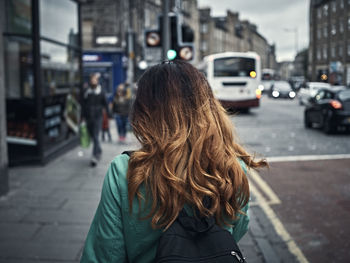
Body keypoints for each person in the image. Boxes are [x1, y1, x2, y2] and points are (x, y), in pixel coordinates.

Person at [80, 61, 267, 262]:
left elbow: (104, 255)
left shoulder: (124, 171)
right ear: (208, 107)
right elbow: (235, 231)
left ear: (145, 112)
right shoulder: (232, 167)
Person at [82, 73, 109, 166]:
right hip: (88, 117)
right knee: (93, 136)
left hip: (98, 116)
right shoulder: (86, 91)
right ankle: (99, 150)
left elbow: (105, 103)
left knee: (96, 136)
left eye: (95, 80)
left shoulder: (101, 91)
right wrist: (82, 117)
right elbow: (83, 105)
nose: (93, 81)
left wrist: (109, 115)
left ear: (97, 81)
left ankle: (95, 157)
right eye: (92, 80)